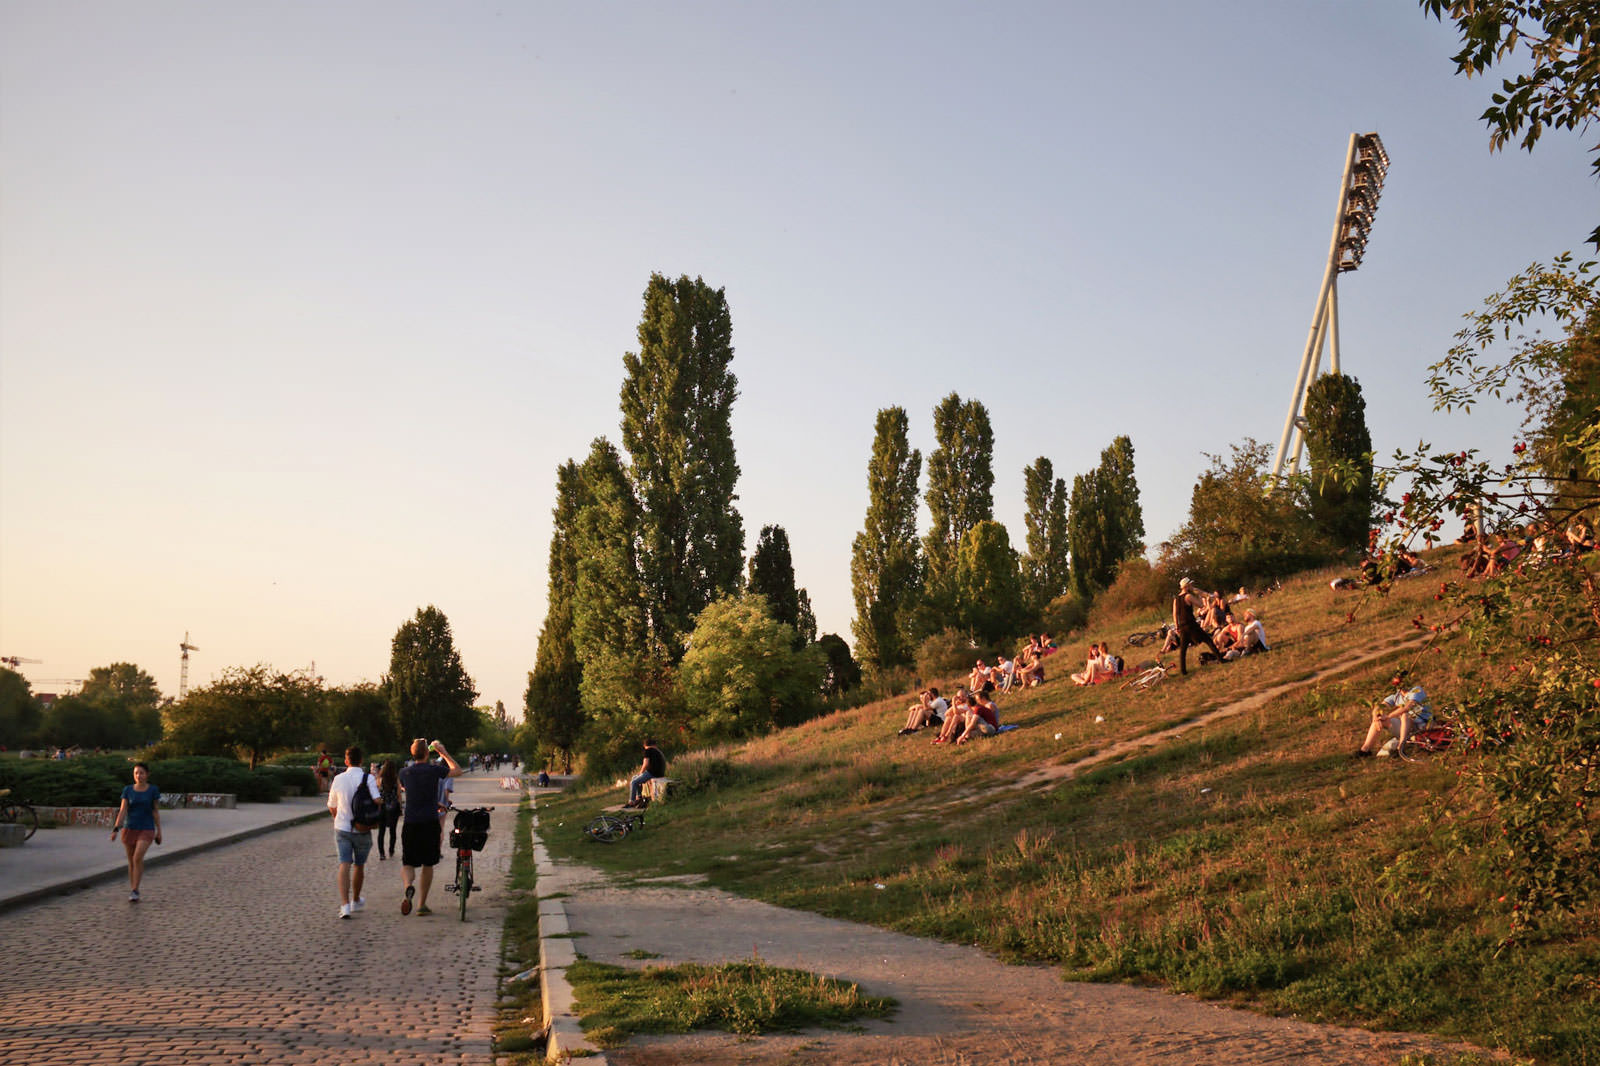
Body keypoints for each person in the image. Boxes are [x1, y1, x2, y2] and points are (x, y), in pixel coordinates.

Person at [398, 738, 462, 916]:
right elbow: (457, 771)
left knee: (408, 862)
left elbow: (411, 792)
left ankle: (408, 886)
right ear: (427, 753)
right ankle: (421, 905)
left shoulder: (404, 772)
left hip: (410, 822)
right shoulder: (434, 770)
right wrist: (443, 752)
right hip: (430, 821)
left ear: (412, 753)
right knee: (428, 863)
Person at [327, 746, 381, 919]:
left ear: (346, 760)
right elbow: (377, 800)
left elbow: (331, 805)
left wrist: (338, 818)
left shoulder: (338, 779)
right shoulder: (368, 778)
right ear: (361, 760)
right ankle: (356, 900)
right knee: (359, 865)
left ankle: (344, 905)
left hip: (342, 828)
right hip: (362, 829)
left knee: (344, 864)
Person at [110, 762, 162, 903]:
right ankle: (133, 888)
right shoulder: (127, 790)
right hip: (129, 828)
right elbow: (123, 810)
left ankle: (135, 890)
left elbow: (155, 811)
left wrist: (159, 831)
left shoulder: (153, 790)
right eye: (136, 773)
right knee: (131, 860)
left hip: (147, 828)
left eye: (141, 773)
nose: (139, 775)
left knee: (137, 857)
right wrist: (116, 828)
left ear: (147, 774)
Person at [1355, 684, 1432, 759]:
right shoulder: (1396, 696)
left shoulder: (1416, 690)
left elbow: (1407, 707)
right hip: (1407, 729)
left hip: (1423, 727)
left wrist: (1388, 716)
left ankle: (1401, 748)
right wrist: (1375, 717)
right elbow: (1379, 707)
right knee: (1379, 720)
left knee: (1405, 715)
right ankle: (1365, 750)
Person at [1172, 577, 1222, 676]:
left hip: (1182, 626)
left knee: (1183, 649)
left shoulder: (1176, 599)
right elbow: (1201, 605)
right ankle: (1221, 659)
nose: (1192, 586)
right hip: (1191, 624)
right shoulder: (1188, 596)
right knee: (1208, 640)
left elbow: (1174, 614)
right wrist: (1201, 596)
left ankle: (1183, 670)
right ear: (1186, 586)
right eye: (1190, 584)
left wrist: (1177, 627)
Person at [624, 738, 667, 809]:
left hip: (653, 773)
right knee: (634, 777)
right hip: (659, 772)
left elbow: (646, 764)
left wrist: (641, 773)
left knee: (633, 782)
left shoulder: (648, 750)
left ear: (645, 746)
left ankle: (631, 802)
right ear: (654, 744)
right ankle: (639, 797)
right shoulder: (658, 751)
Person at [375, 759, 401, 861]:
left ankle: (382, 853)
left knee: (381, 831)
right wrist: (400, 806)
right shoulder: (395, 779)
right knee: (393, 831)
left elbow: (377, 792)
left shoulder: (380, 779)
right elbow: (399, 794)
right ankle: (391, 850)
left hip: (382, 806)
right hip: (393, 807)